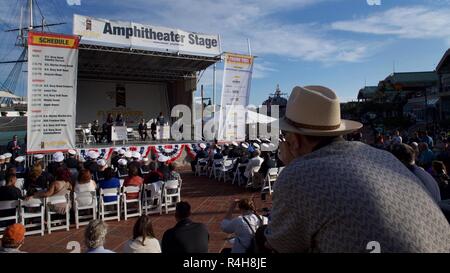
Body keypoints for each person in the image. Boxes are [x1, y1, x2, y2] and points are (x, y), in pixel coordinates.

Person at [265, 85, 450, 253]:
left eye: (286, 134)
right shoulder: (383, 156)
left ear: (294, 141)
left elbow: (279, 246)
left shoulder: (299, 175)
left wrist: (292, 166)